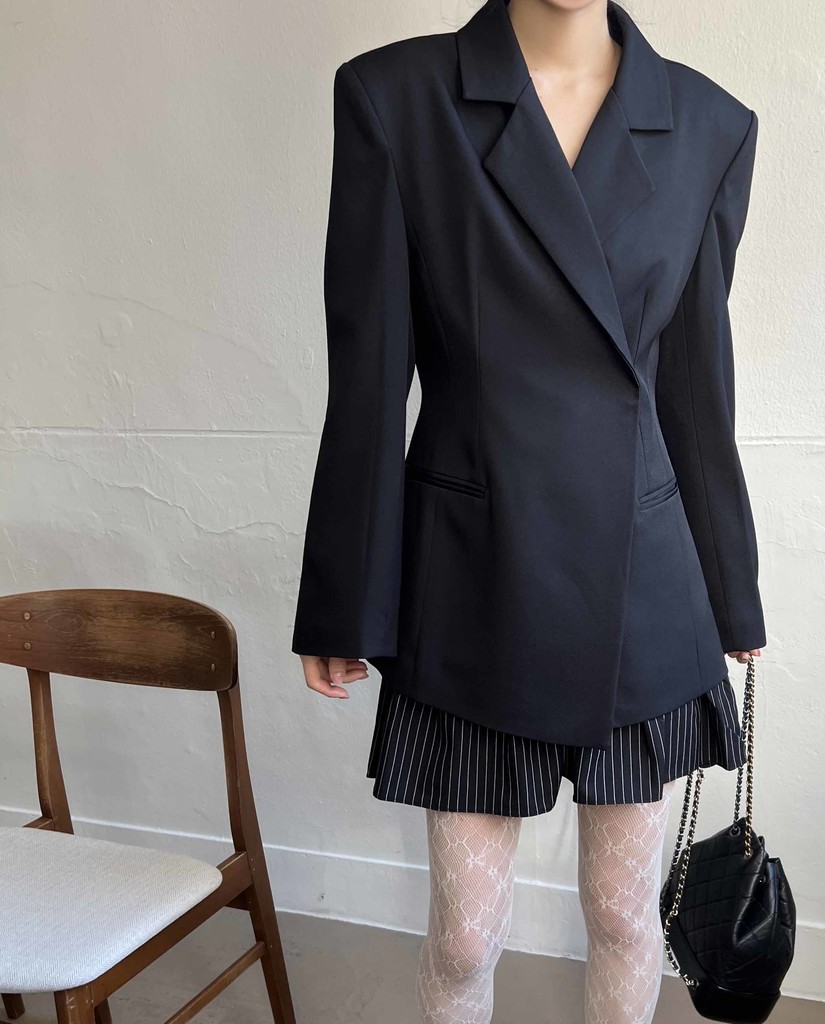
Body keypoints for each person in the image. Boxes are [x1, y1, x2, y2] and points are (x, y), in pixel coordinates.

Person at [293, 0, 767, 1020]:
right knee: (464, 937)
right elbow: (368, 373)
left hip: (640, 581)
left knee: (625, 917)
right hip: (473, 569)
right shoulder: (397, 98)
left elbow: (694, 383)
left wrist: (730, 585)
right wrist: (343, 595)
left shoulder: (709, 125)